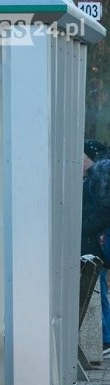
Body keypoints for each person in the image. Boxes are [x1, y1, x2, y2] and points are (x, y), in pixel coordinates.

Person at [82, 140, 110, 355]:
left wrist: (82, 228)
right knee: (97, 288)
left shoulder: (100, 175)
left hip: (97, 240)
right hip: (96, 239)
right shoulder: (94, 176)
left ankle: (106, 337)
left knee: (97, 288)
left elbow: (103, 210)